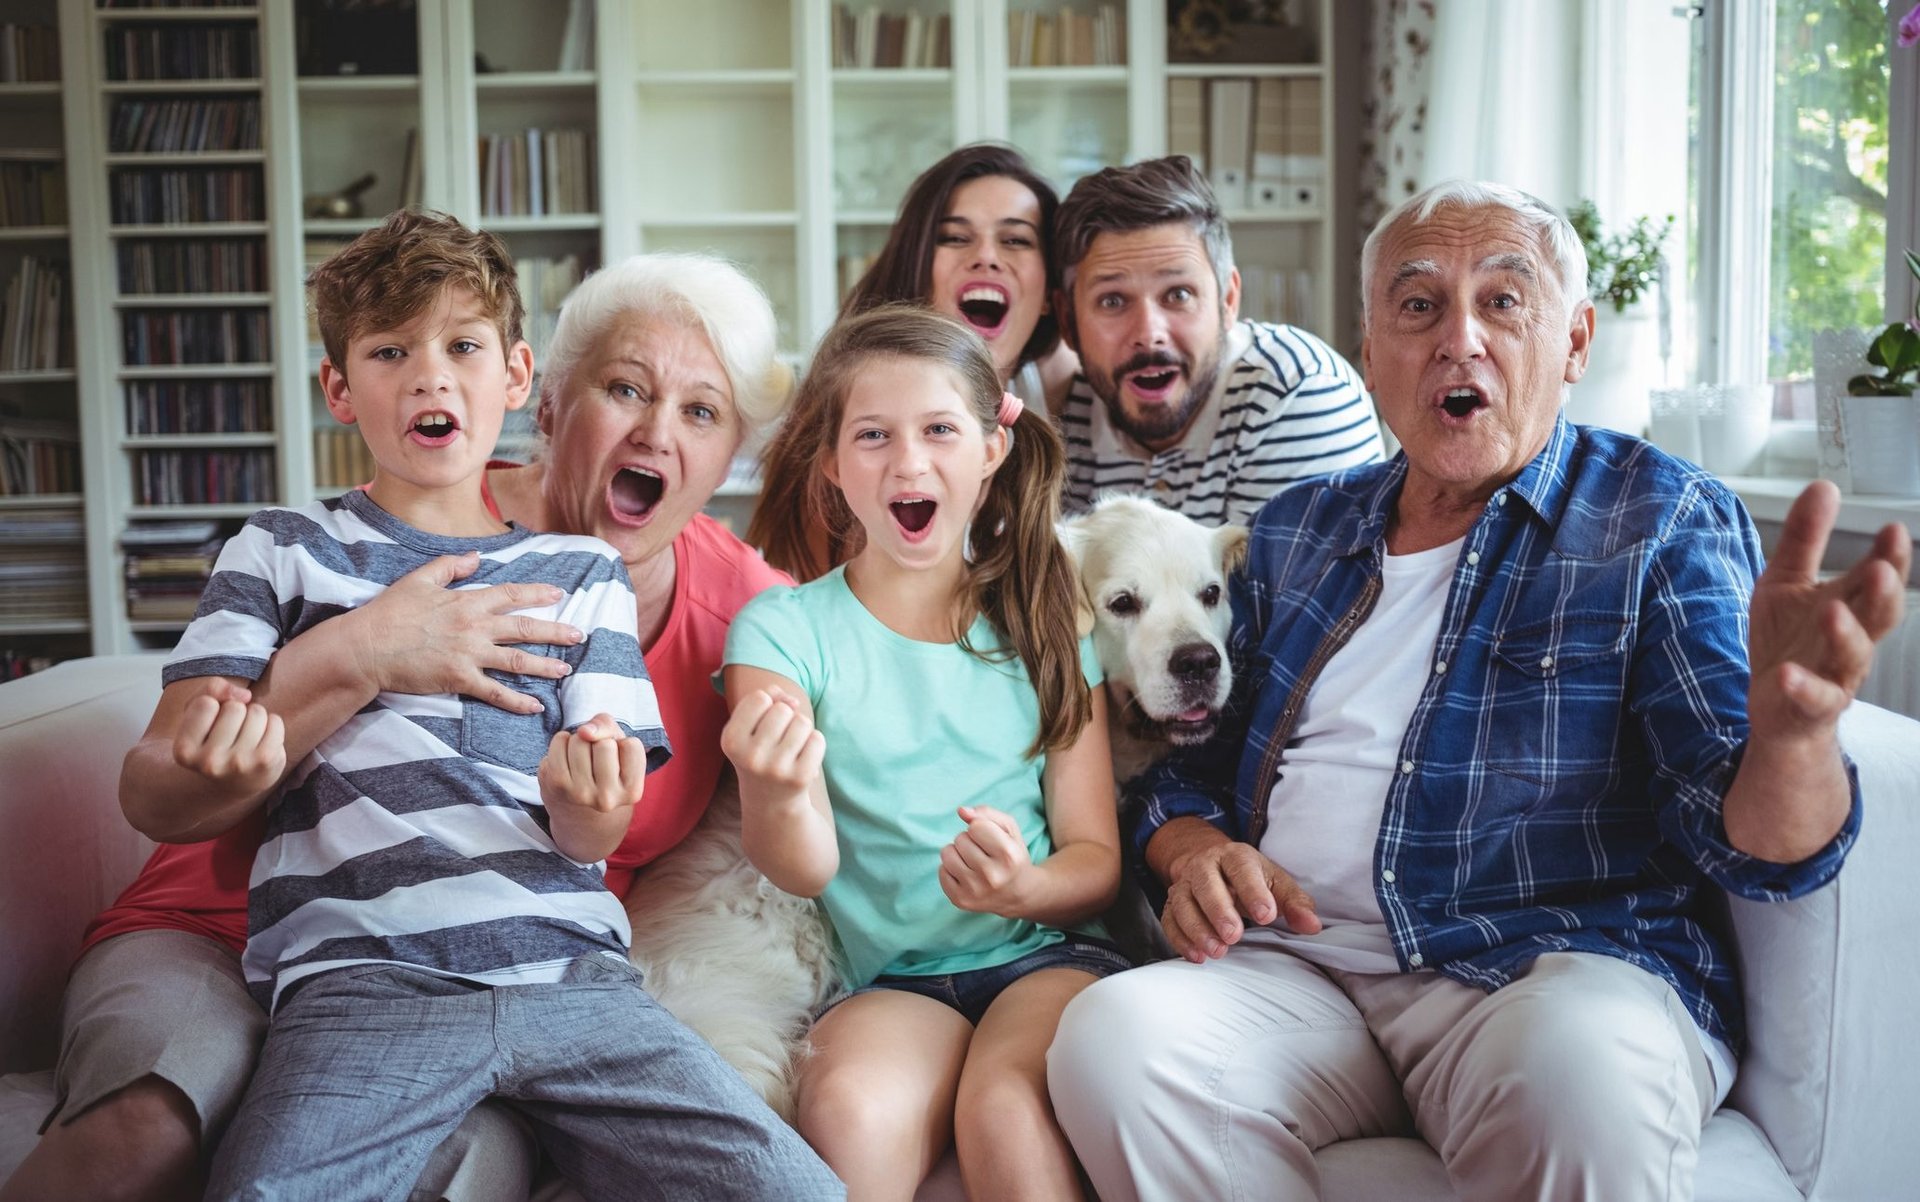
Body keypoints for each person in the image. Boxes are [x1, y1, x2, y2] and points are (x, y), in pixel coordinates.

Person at [1045, 181, 1913, 1202]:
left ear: (1576, 341)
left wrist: (1795, 734)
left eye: (1505, 301)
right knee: (1113, 1039)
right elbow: (1181, 770)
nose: (1460, 337)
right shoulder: (1296, 532)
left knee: (1575, 1075)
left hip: (1551, 971)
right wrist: (1192, 849)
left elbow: (1754, 851)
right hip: (1300, 972)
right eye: (1417, 306)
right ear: (1372, 349)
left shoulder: (1659, 520)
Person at [1, 244, 816, 1202]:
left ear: (734, 451)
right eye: (625, 390)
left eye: (702, 412)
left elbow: (863, 659)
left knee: (463, 1164)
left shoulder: (727, 608)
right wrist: (362, 651)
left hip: (505, 970)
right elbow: (159, 788)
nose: (656, 432)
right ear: (548, 398)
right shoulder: (302, 548)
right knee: (150, 1125)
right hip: (225, 929)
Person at [723, 306, 1125, 1200]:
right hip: (895, 983)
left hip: (1046, 956)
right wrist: (774, 787)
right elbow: (802, 867)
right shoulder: (782, 633)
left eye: (939, 430)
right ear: (831, 463)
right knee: (851, 1112)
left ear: (990, 448)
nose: (908, 462)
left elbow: (1096, 859)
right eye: (872, 436)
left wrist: (1023, 888)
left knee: (1004, 1109)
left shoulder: (1046, 618)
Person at [756, 143, 1072, 582]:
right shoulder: (844, 436)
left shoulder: (1056, 391)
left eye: (1016, 240)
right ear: (917, 272)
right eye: (955, 238)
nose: (986, 256)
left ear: (1048, 296)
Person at [1051, 154, 1386, 525]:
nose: (1149, 335)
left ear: (1228, 300)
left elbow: (1276, 585)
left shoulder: (1300, 393)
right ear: (1067, 320)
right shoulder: (1063, 410)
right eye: (1112, 301)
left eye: (1178, 295)